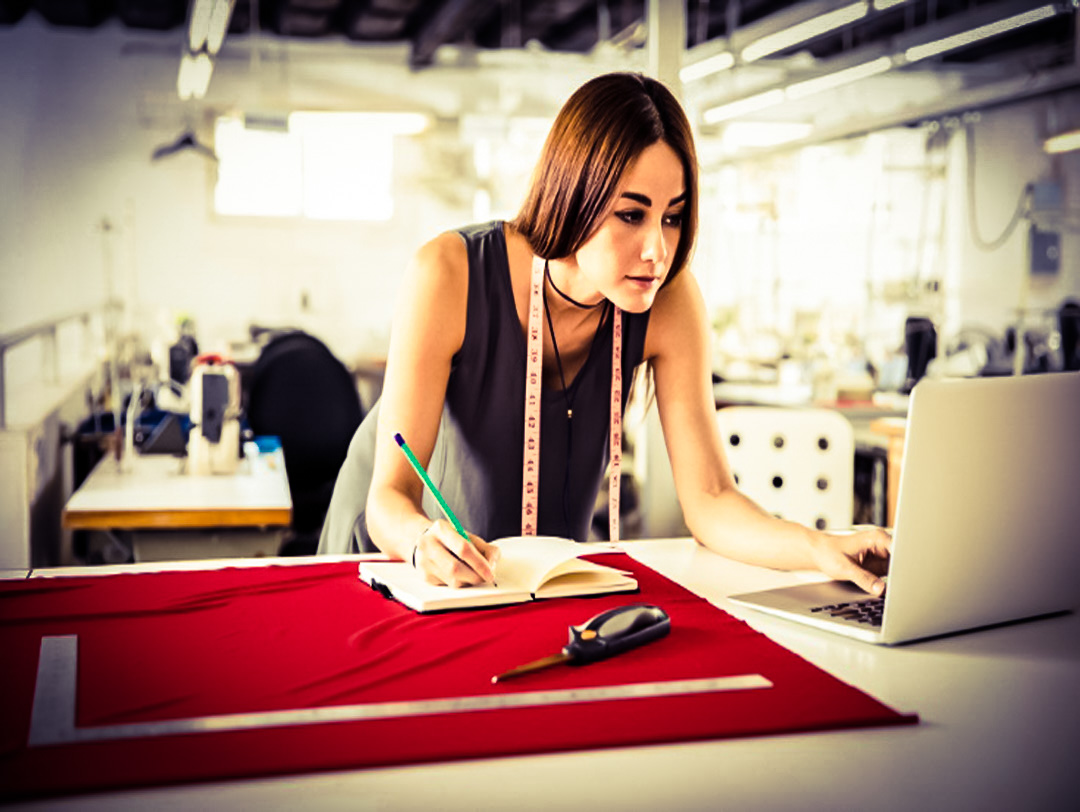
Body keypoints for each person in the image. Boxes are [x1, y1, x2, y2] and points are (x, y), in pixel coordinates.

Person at [318, 71, 891, 595]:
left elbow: (711, 499)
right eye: (631, 214)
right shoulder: (449, 273)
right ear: (574, 196)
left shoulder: (668, 302)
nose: (657, 250)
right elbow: (388, 498)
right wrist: (422, 541)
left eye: (672, 216)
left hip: (529, 581)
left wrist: (818, 547)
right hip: (400, 563)